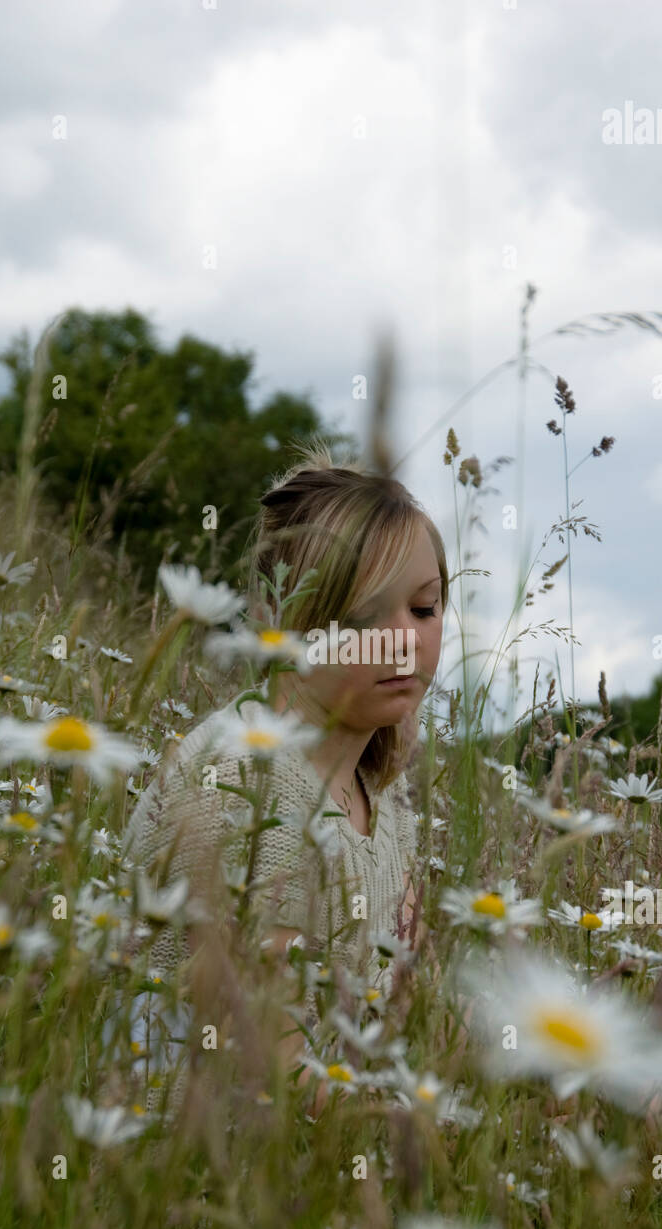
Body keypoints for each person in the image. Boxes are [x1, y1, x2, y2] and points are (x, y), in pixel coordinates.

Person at [122, 442, 447, 1115]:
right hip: (198, 1167)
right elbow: (270, 1066)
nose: (405, 642)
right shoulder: (244, 787)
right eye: (363, 616)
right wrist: (445, 1136)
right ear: (284, 620)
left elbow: (410, 991)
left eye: (423, 610)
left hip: (322, 1148)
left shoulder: (381, 787)